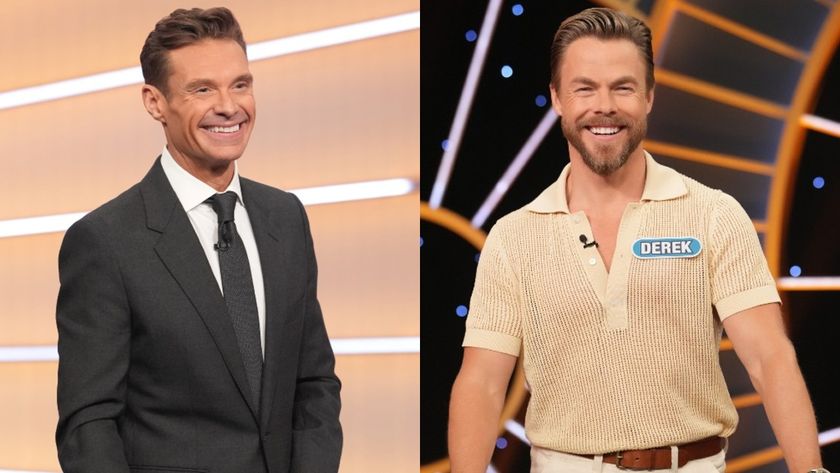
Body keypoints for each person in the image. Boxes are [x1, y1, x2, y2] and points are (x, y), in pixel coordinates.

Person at [448, 7, 826, 473]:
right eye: (584, 88)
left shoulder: (714, 215)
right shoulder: (513, 237)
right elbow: (483, 383)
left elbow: (769, 359)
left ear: (648, 96)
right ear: (557, 99)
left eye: (622, 87)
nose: (603, 105)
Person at [55, 7, 342, 473]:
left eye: (241, 85)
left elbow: (314, 382)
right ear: (155, 102)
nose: (229, 106)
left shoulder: (285, 217)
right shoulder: (104, 241)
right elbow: (89, 423)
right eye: (202, 89)